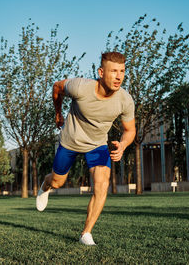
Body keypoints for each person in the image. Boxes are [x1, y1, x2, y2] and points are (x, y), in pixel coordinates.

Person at [36, 51, 136, 245]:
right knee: (58, 182)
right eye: (113, 71)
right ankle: (46, 185)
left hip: (97, 145)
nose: (118, 76)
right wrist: (58, 113)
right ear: (101, 72)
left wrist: (123, 145)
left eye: (122, 71)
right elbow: (57, 86)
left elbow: (130, 130)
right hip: (69, 141)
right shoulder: (81, 87)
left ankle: (86, 233)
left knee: (101, 183)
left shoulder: (125, 100)